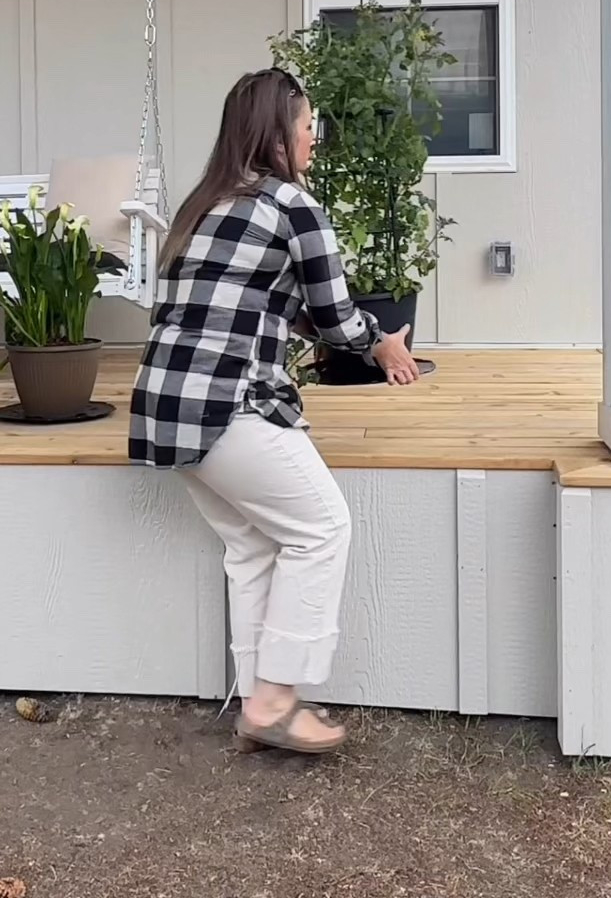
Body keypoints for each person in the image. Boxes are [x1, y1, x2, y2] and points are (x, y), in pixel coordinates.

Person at [129, 66, 420, 756]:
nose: (314, 136)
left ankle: (258, 700)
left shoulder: (203, 206)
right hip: (223, 400)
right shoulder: (293, 207)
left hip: (162, 403)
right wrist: (383, 346)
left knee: (253, 545)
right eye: (307, 123)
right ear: (276, 133)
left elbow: (252, 305)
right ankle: (275, 700)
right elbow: (338, 317)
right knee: (321, 528)